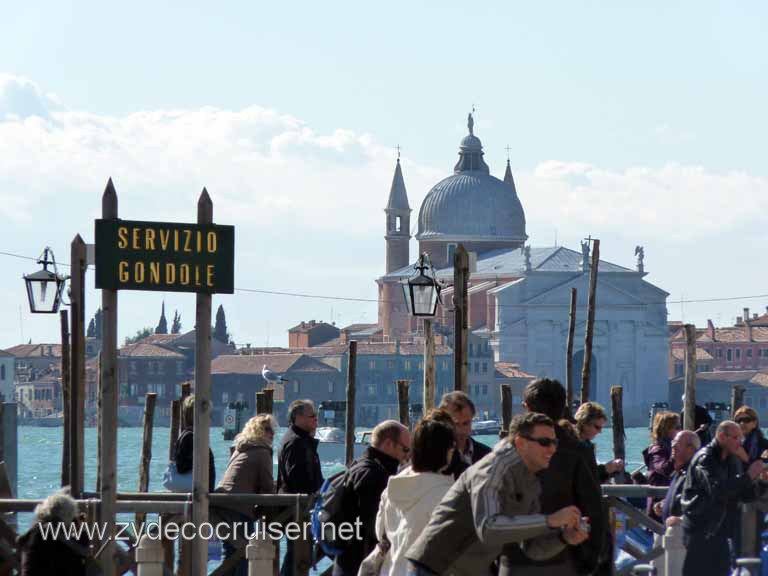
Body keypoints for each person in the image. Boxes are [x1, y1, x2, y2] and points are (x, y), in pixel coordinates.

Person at [405, 412, 589, 576]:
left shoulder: (530, 479)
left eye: (554, 442)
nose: (552, 449)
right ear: (520, 442)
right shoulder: (492, 469)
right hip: (432, 568)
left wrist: (563, 537)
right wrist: (550, 520)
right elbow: (488, 528)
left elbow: (532, 547)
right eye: (544, 442)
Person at [506, 379, 605, 576]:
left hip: (514, 559)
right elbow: (593, 508)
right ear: (563, 409)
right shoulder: (578, 451)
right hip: (563, 558)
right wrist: (589, 560)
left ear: (527, 409)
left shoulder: (507, 450)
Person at [680, 420, 767, 576]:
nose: (739, 443)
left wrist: (762, 482)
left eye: (740, 439)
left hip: (721, 533)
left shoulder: (731, 460)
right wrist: (748, 475)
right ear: (722, 436)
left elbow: (743, 495)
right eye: (735, 438)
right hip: (700, 531)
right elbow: (717, 491)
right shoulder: (705, 458)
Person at [374, 416, 456, 575]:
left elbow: (380, 532)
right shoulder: (447, 495)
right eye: (451, 449)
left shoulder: (393, 487)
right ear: (444, 452)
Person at [333, 420, 411, 576]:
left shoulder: (360, 465)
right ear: (388, 444)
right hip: (360, 564)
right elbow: (377, 527)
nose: (407, 455)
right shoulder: (373, 476)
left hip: (347, 561)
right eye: (405, 449)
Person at [214, 413, 278, 576]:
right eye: (269, 429)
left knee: (231, 555)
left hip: (220, 504)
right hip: (238, 508)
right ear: (259, 430)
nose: (273, 433)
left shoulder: (241, 448)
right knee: (244, 555)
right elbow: (267, 487)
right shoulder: (262, 451)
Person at [277, 399, 323, 576]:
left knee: (297, 555)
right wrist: (313, 496)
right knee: (297, 555)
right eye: (312, 416)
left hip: (299, 509)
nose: (316, 420)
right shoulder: (296, 442)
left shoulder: (300, 440)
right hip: (298, 510)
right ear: (298, 417)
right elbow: (298, 479)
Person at [17, 490, 89, 576]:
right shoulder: (57, 537)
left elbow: (20, 541)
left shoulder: (35, 531)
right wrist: (81, 528)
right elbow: (82, 549)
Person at [438, 391, 492, 479]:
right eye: (455, 424)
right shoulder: (435, 458)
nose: (460, 430)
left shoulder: (487, 456)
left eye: (465, 423)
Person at [652, 429, 700, 526]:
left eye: (677, 443)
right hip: (669, 530)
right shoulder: (679, 471)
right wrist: (664, 504)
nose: (673, 446)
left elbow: (704, 503)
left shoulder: (696, 472)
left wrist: (682, 519)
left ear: (690, 448)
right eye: (673, 442)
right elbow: (682, 497)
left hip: (683, 532)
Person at [174, 393, 216, 491]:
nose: (210, 419)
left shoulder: (191, 435)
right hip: (198, 495)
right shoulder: (190, 437)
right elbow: (182, 467)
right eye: (209, 414)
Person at [573, 402, 624, 482]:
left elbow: (593, 479)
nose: (600, 431)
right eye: (597, 427)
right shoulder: (572, 446)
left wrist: (611, 470)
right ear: (585, 423)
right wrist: (605, 469)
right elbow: (581, 478)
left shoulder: (587, 445)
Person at [644, 411, 679, 520]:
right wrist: (676, 452)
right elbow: (665, 469)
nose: (680, 430)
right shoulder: (657, 450)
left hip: (670, 503)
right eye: (677, 427)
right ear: (667, 429)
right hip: (659, 507)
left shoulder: (667, 446)